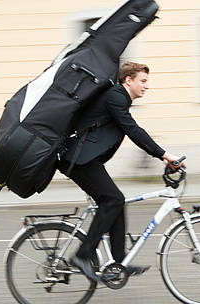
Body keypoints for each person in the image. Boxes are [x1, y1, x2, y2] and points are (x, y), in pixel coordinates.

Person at [58, 62, 184, 282]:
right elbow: (132, 129)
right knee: (113, 199)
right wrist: (164, 154)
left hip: (85, 160)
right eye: (142, 81)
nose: (147, 86)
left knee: (116, 201)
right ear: (129, 80)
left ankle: (119, 263)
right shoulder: (116, 96)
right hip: (79, 160)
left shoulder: (117, 98)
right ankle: (82, 255)